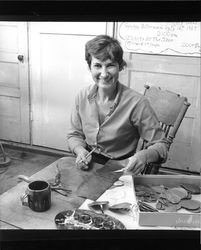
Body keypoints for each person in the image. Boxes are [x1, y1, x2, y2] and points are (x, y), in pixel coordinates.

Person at [67, 35, 170, 175]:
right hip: (89, 163)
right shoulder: (82, 96)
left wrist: (143, 156)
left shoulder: (137, 103)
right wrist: (80, 150)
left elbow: (161, 146)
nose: (104, 74)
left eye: (110, 65)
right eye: (97, 65)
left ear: (120, 66)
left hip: (121, 167)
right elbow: (74, 135)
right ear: (89, 67)